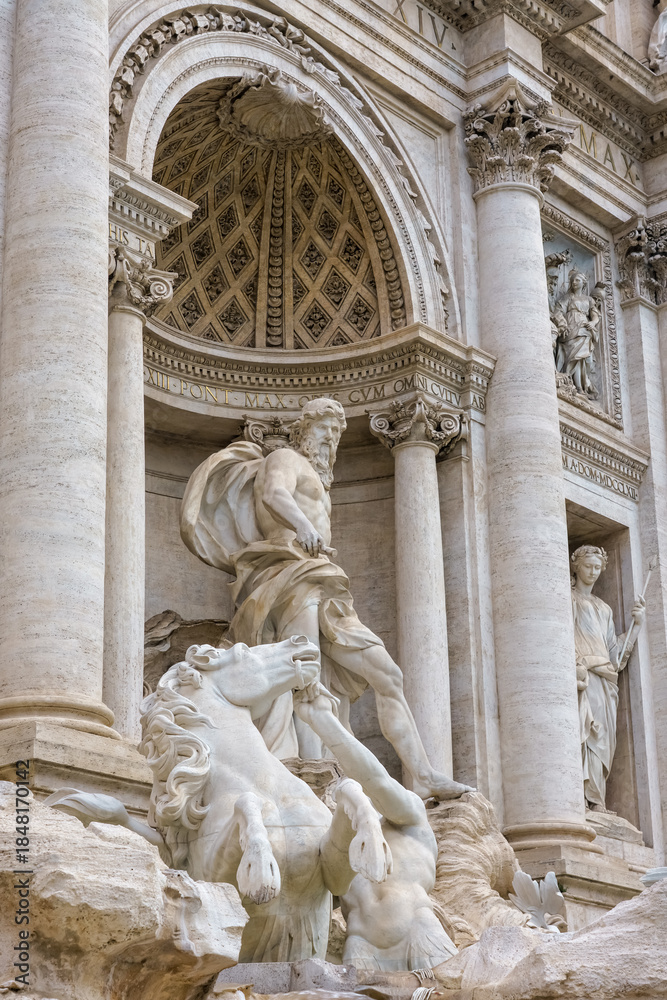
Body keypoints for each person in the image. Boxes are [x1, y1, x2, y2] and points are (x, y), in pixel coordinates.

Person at [181, 397, 470, 801]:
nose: (331, 440)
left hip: (323, 581)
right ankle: (308, 776)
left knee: (388, 674)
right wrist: (301, 526)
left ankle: (421, 774)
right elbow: (272, 494)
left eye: (336, 433)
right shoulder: (284, 457)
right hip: (289, 574)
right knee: (305, 675)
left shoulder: (320, 480)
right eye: (324, 430)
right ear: (302, 432)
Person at [294, 690, 458, 971]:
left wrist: (323, 722)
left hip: (419, 933)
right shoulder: (335, 844)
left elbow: (377, 782)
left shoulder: (411, 816)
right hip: (359, 947)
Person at [570, 545, 645, 811]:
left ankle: (597, 798)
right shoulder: (570, 600)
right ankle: (583, 797)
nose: (593, 572)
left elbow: (615, 655)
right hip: (585, 675)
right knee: (588, 733)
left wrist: (636, 627)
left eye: (597, 568)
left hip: (605, 679)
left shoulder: (604, 608)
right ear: (576, 567)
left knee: (603, 741)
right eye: (588, 566)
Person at [554, 270, 604, 397]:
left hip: (583, 327)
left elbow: (595, 316)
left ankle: (580, 387)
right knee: (570, 354)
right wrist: (562, 324)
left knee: (580, 357)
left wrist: (592, 324)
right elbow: (558, 311)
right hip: (570, 326)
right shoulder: (567, 298)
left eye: (577, 280)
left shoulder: (589, 299)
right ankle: (570, 382)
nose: (574, 282)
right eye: (573, 280)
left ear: (583, 283)